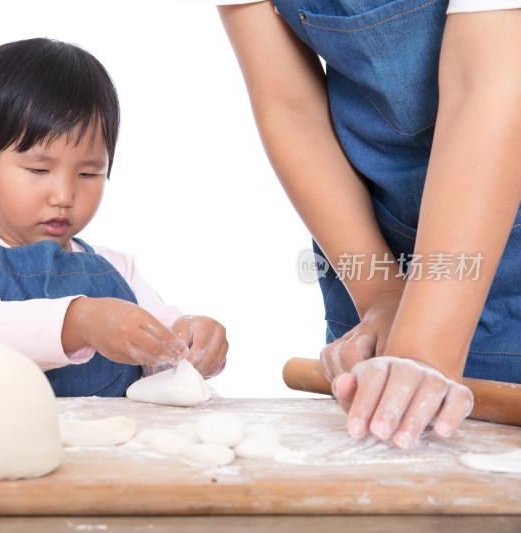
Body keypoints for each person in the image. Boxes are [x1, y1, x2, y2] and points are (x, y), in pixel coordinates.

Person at [213, 0, 521, 447]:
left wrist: (422, 348)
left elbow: (488, 81)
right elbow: (291, 108)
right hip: (372, 240)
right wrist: (381, 296)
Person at [0, 38, 228, 397]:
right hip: (8, 452)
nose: (64, 196)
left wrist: (191, 340)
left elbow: (159, 353)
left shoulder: (117, 269)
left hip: (113, 450)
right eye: (38, 169)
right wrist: (80, 322)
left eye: (88, 174)